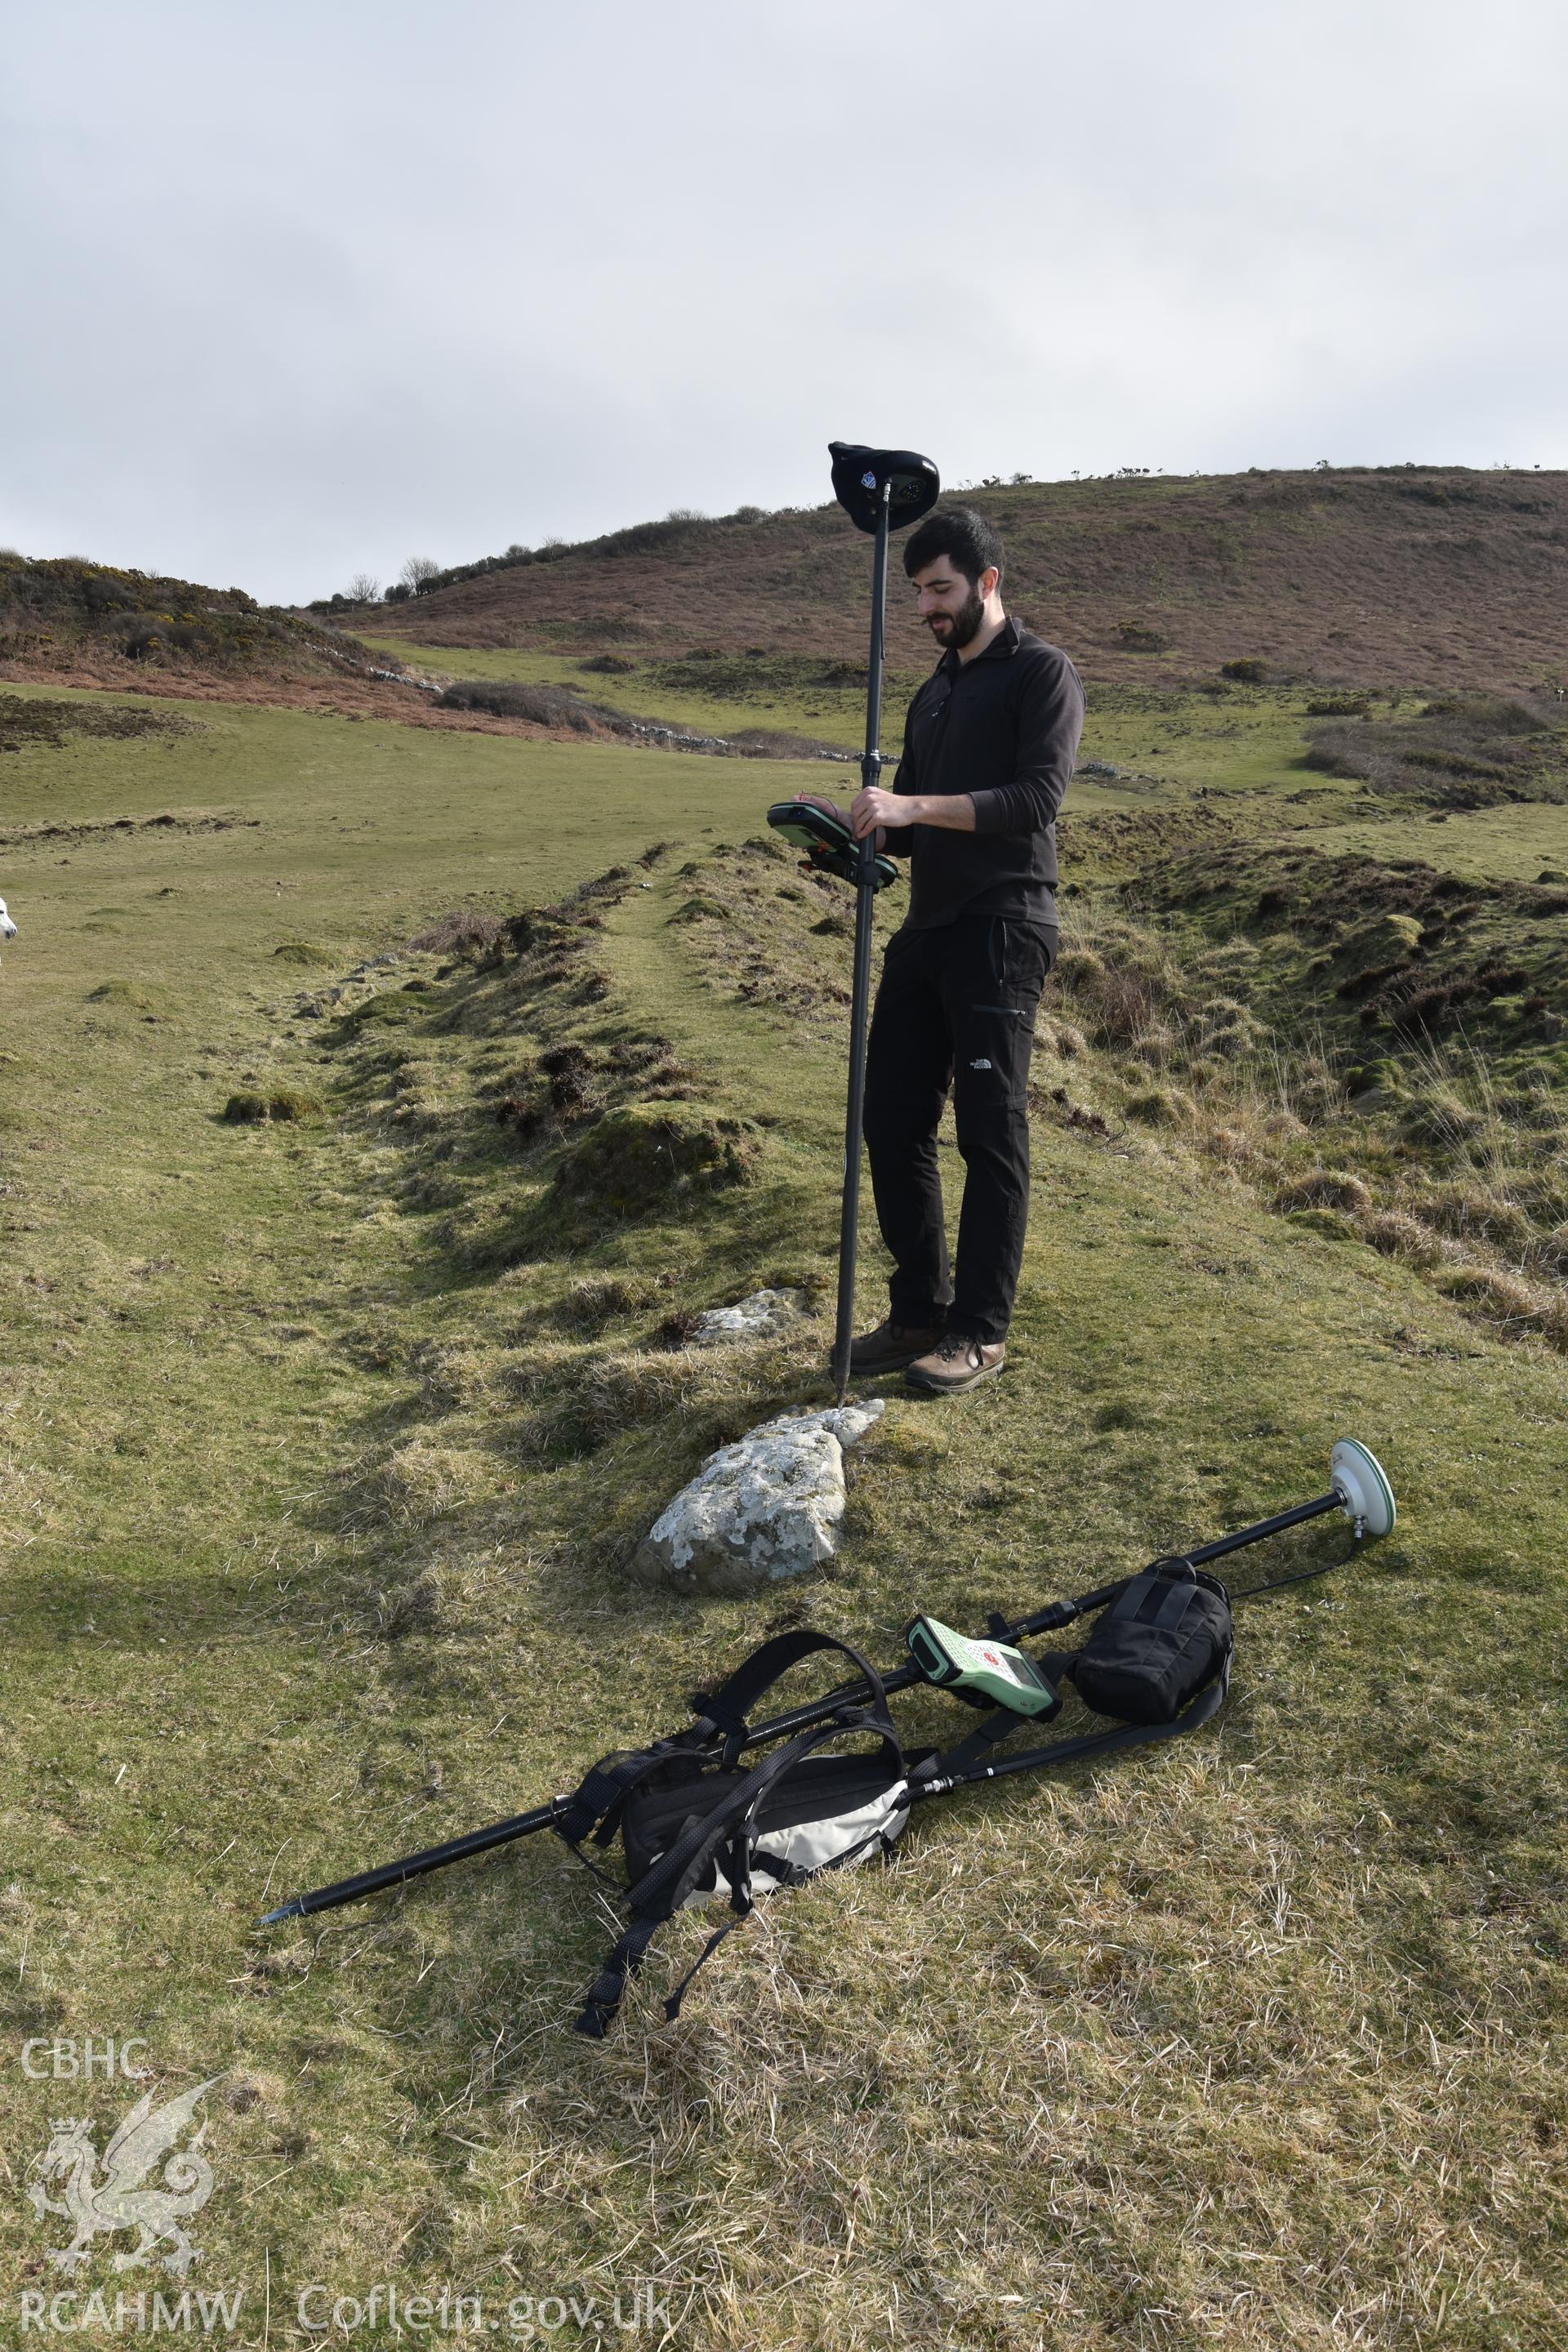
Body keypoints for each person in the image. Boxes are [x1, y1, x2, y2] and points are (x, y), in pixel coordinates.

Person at [807, 505, 1084, 1394]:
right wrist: (854, 838)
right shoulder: (932, 691)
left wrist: (909, 807)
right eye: (917, 592)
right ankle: (920, 1310)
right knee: (890, 1122)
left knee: (988, 1131)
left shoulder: (1043, 673)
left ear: (987, 583)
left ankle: (979, 1332)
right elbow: (912, 831)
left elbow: (1034, 800)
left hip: (1004, 925)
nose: (928, 607)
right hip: (926, 929)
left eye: (941, 589)